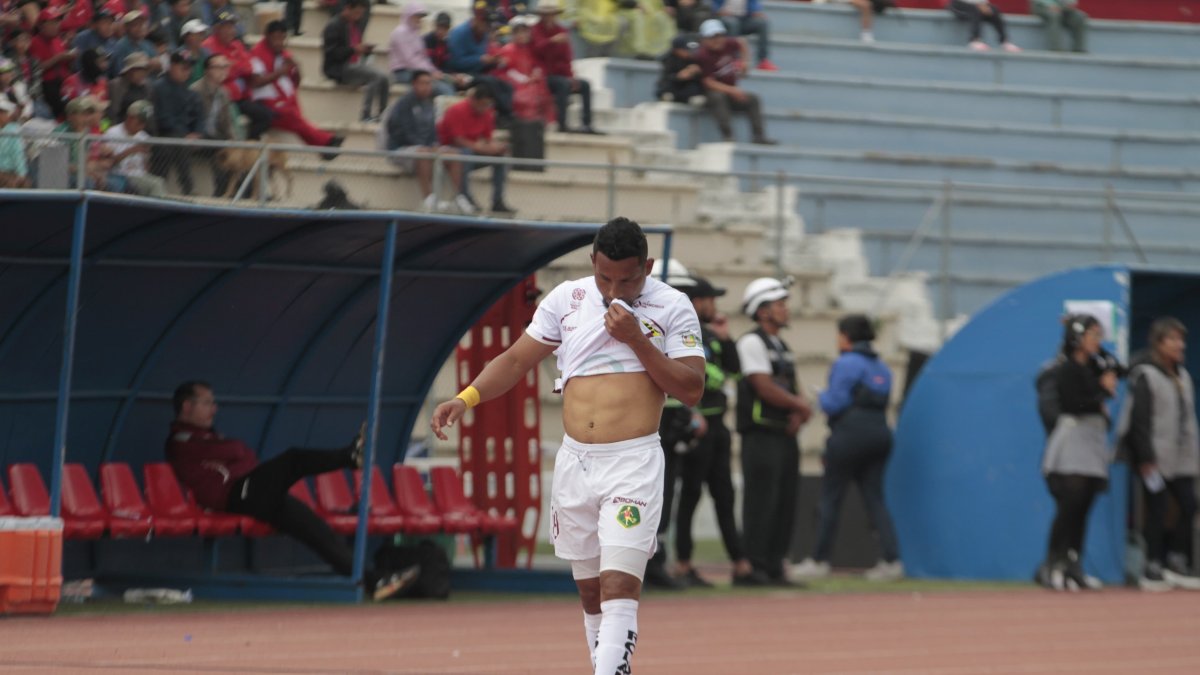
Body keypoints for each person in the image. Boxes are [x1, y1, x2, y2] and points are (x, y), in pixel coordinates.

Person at [431, 217, 706, 674]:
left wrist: (637, 338)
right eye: (605, 278)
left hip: (632, 461)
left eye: (628, 279)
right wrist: (466, 398)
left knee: (619, 584)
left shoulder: (673, 306)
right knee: (591, 592)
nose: (615, 290)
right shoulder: (568, 299)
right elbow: (517, 358)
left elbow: (691, 388)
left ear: (649, 267)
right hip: (576, 461)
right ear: (591, 263)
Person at [166, 381, 417, 600]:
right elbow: (235, 452)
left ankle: (375, 582)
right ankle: (349, 457)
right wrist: (234, 453)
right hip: (234, 495)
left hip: (254, 492)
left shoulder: (210, 438)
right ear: (187, 407)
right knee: (292, 459)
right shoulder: (181, 440)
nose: (214, 409)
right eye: (207, 403)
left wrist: (235, 454)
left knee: (318, 532)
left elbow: (242, 453)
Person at [668, 273, 767, 587]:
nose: (715, 306)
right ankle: (683, 564)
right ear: (696, 303)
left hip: (718, 428)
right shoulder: (683, 334)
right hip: (694, 427)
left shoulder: (711, 335)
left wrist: (726, 341)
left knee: (725, 495)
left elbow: (735, 375)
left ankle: (741, 566)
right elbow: (708, 378)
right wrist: (716, 374)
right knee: (690, 496)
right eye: (710, 299)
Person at [792, 314, 903, 582]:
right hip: (880, 434)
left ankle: (819, 561)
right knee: (875, 499)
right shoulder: (882, 367)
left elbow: (834, 403)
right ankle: (891, 561)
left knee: (830, 498)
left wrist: (820, 397)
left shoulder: (846, 363)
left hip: (849, 435)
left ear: (846, 336)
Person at [736, 276, 811, 585]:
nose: (786, 310)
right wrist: (800, 406)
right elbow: (763, 386)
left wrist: (798, 411)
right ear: (762, 310)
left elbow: (790, 386)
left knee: (784, 501)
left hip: (783, 434)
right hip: (760, 434)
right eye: (780, 305)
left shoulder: (782, 345)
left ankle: (775, 564)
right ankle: (755, 566)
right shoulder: (752, 342)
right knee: (761, 502)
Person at [1035, 314, 1116, 591]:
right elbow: (1072, 403)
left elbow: (1116, 371)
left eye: (1099, 335)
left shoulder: (1093, 367)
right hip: (1072, 445)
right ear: (1077, 338)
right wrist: (1101, 393)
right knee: (1069, 506)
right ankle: (1052, 564)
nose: (1098, 341)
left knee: (1083, 508)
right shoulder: (1064, 369)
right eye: (1092, 335)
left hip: (1092, 444)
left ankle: (1074, 566)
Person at [1119, 317, 1200, 590]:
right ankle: (1151, 565)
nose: (1180, 345)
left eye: (1182, 340)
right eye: (1174, 340)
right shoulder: (1145, 375)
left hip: (1183, 457)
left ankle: (1177, 560)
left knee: (1189, 504)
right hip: (1155, 457)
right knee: (1157, 508)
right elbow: (1138, 421)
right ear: (1158, 343)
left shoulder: (1183, 376)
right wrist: (1145, 458)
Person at [249, 20, 343, 151]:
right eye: (275, 38)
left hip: (284, 99)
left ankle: (324, 144)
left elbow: (296, 82)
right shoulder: (257, 54)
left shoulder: (283, 54)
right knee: (291, 115)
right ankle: (326, 141)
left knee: (294, 115)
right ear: (267, 36)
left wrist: (296, 68)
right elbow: (256, 82)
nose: (279, 42)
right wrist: (280, 72)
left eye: (282, 38)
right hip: (264, 102)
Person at [382, 69, 461, 212]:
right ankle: (429, 199)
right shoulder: (403, 104)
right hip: (400, 149)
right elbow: (401, 132)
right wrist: (425, 146)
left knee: (453, 154)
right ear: (414, 84)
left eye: (429, 83)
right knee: (423, 153)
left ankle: (458, 198)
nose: (426, 87)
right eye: (423, 83)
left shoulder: (429, 103)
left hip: (425, 147)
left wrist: (435, 145)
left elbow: (432, 130)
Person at [436, 83, 515, 216]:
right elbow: (457, 140)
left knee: (500, 155)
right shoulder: (456, 110)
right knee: (466, 154)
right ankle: (465, 197)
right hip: (449, 151)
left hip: (471, 151)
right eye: (483, 104)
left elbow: (487, 139)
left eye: (488, 105)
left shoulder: (487, 113)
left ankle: (498, 201)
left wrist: (495, 148)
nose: (485, 108)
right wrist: (482, 147)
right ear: (474, 100)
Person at [696, 19, 775, 145]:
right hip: (712, 93)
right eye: (712, 37)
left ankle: (759, 136)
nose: (717, 40)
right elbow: (708, 82)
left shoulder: (729, 44)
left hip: (731, 90)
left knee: (753, 99)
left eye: (719, 36)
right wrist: (732, 90)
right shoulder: (703, 55)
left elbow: (742, 42)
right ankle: (728, 136)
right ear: (704, 40)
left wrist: (745, 62)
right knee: (718, 97)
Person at [531, 0, 599, 135]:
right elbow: (536, 50)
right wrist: (551, 41)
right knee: (562, 85)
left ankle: (587, 124)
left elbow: (567, 57)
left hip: (560, 74)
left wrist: (571, 77)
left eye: (551, 14)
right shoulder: (535, 30)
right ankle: (562, 123)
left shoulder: (561, 30)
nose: (549, 17)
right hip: (543, 75)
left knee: (585, 85)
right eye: (546, 14)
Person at [203, 9, 272, 140]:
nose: (231, 31)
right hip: (220, 98)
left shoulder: (237, 45)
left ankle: (247, 149)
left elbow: (249, 68)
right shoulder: (208, 46)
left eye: (232, 26)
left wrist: (231, 66)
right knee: (230, 125)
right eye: (227, 27)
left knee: (267, 115)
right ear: (217, 28)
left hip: (240, 98)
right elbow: (218, 73)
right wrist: (234, 67)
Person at [322, 0, 389, 122]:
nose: (359, 16)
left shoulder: (352, 26)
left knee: (385, 77)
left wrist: (364, 50)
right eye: (357, 12)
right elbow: (332, 54)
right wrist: (353, 50)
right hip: (339, 68)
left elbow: (354, 49)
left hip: (353, 65)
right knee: (376, 76)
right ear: (348, 8)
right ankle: (365, 115)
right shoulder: (334, 26)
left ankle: (382, 114)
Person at [446, 7, 514, 126]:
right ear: (477, 21)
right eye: (485, 25)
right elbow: (454, 62)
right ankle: (508, 113)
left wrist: (494, 61)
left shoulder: (483, 35)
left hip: (478, 74)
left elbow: (484, 59)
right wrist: (479, 59)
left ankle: (504, 117)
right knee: (490, 82)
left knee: (506, 85)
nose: (487, 29)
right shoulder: (459, 33)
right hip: (460, 75)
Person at [151, 48, 203, 194]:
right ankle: (183, 189)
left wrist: (197, 133)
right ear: (172, 66)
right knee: (174, 143)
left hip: (185, 136)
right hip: (163, 136)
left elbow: (198, 116)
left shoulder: (190, 91)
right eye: (183, 67)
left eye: (189, 67)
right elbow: (163, 118)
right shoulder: (160, 87)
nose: (187, 71)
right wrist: (185, 135)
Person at [389, 3, 459, 97]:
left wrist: (435, 72)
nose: (419, 19)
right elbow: (410, 60)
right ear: (409, 16)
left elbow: (423, 58)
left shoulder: (415, 34)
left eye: (420, 17)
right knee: (443, 89)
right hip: (402, 72)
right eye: (417, 16)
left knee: (448, 83)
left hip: (416, 71)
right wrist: (430, 73)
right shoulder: (400, 33)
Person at [496, 17, 555, 125]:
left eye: (525, 32)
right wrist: (525, 79)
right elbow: (507, 70)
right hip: (516, 83)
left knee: (542, 90)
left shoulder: (530, 49)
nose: (522, 35)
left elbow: (537, 64)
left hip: (531, 81)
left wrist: (536, 72)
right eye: (518, 32)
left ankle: (543, 121)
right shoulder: (508, 49)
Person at [192, 53, 236, 195]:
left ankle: (240, 192)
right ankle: (220, 193)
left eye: (225, 66)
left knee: (240, 152)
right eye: (219, 67)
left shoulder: (224, 93)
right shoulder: (196, 90)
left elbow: (227, 123)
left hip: (216, 137)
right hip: (199, 136)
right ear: (207, 70)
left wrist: (235, 141)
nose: (223, 70)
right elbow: (193, 121)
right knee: (221, 148)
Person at [103, 98, 167, 196]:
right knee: (156, 183)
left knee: (157, 181)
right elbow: (108, 163)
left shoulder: (144, 136)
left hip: (140, 176)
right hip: (120, 174)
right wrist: (131, 150)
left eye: (144, 122)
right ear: (129, 117)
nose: (141, 125)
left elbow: (146, 166)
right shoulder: (112, 133)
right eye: (139, 121)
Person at [30, 8, 74, 119]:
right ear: (41, 26)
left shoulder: (57, 40)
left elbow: (66, 63)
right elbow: (37, 68)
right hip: (47, 86)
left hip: (64, 83)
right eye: (52, 23)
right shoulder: (35, 42)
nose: (57, 25)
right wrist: (58, 57)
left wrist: (70, 57)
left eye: (57, 22)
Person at [710, 0, 776, 70]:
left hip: (744, 19)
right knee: (733, 23)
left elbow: (754, 6)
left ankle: (763, 60)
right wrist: (719, 10)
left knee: (762, 23)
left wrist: (756, 12)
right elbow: (714, 5)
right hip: (724, 18)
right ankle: (734, 59)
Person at [948, 0, 1020, 52]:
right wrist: (980, 5)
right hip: (957, 4)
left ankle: (1004, 42)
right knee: (975, 10)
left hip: (977, 5)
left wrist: (985, 5)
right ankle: (974, 40)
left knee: (994, 10)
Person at [108, 11, 162, 79]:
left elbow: (159, 66)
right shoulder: (120, 47)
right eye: (135, 25)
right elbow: (119, 73)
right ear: (126, 28)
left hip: (149, 85)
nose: (140, 27)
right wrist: (147, 64)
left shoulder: (147, 44)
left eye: (142, 24)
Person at [655, 34, 704, 103]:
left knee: (694, 88)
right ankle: (669, 97)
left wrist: (697, 71)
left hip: (689, 85)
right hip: (674, 85)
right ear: (677, 50)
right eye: (685, 49)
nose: (689, 52)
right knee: (666, 88)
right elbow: (666, 77)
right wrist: (679, 76)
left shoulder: (695, 58)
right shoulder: (669, 59)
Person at [106, 51, 151, 123]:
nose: (143, 73)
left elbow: (149, 113)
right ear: (129, 71)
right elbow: (110, 114)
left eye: (145, 70)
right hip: (118, 128)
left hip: (142, 129)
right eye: (139, 69)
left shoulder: (147, 86)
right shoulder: (115, 85)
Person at [0, 97, 29, 187]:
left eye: (4, 112)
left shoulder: (14, 131)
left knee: (23, 184)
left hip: (10, 171)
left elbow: (18, 154)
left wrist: (21, 175)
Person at [0, 57, 35, 122]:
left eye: (9, 71)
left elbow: (28, 104)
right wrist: (17, 111)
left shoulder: (19, 87)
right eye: (4, 72)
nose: (9, 75)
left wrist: (25, 116)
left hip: (25, 124)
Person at [179, 19, 210, 84]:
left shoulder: (206, 52)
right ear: (187, 37)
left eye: (202, 34)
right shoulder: (181, 54)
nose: (201, 37)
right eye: (197, 34)